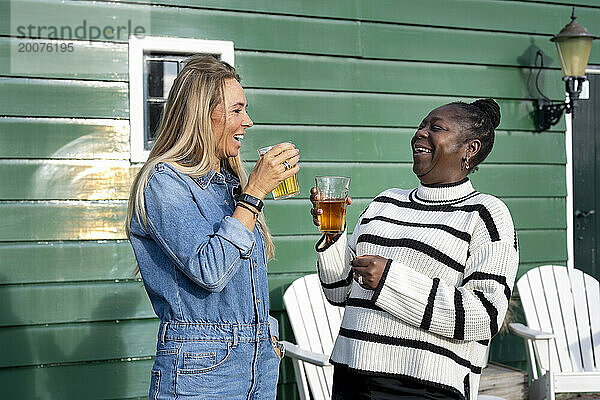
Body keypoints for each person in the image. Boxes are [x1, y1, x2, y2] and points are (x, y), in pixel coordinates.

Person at [310, 99, 519, 400]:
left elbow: (485, 316)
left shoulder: (485, 214)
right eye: (421, 126)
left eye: (436, 128)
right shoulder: (385, 202)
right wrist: (332, 236)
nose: (420, 133)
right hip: (351, 377)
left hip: (424, 387)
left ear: (469, 149)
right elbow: (339, 292)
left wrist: (389, 280)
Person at [126, 55, 299, 400]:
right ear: (202, 115)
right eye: (236, 110)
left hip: (258, 364)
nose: (248, 121)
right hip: (203, 372)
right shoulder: (164, 183)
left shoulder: (228, 183)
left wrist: (265, 343)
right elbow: (210, 270)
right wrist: (254, 194)